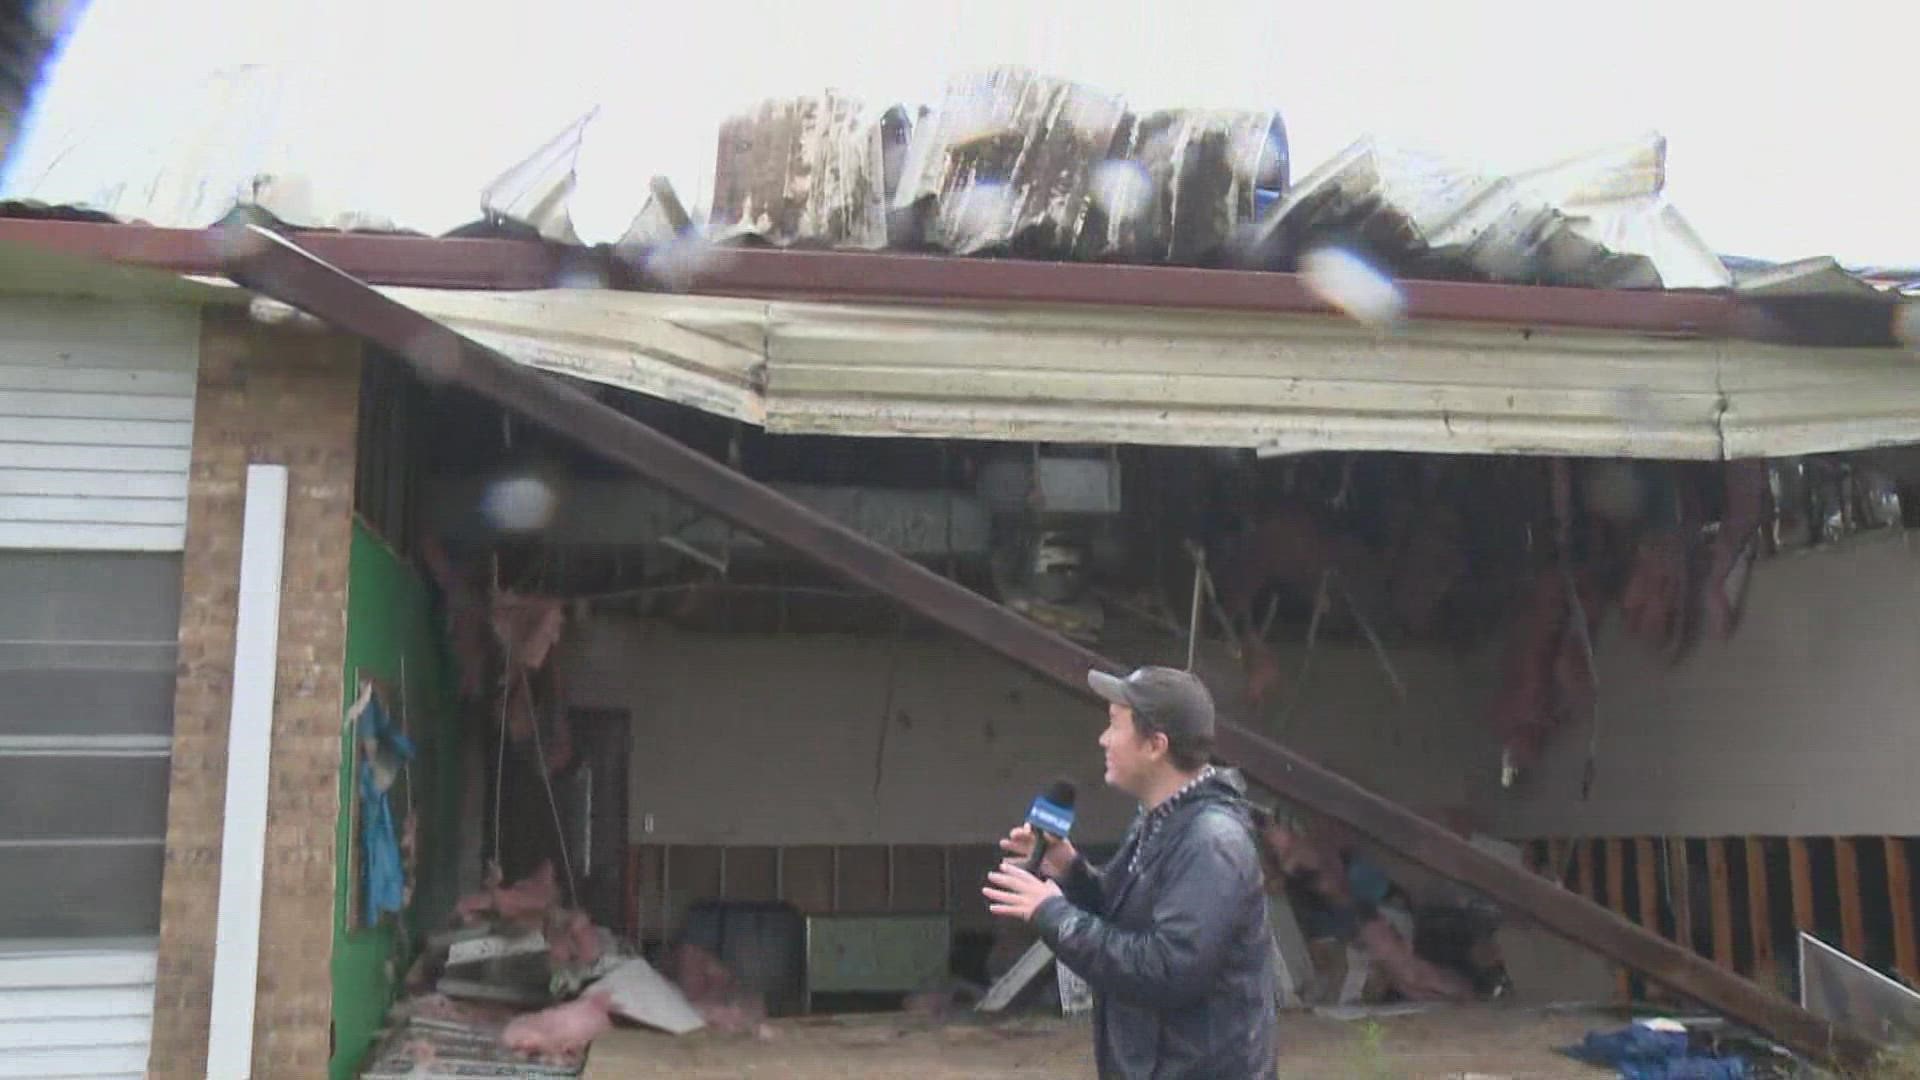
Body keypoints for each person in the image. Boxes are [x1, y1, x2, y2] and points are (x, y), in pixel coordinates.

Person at [983, 665, 1277, 1079]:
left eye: (1114, 726)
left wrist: (1053, 913)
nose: (1103, 739)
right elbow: (1129, 921)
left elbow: (1168, 969)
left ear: (1155, 745)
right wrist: (1069, 872)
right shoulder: (1161, 820)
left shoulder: (1210, 840)